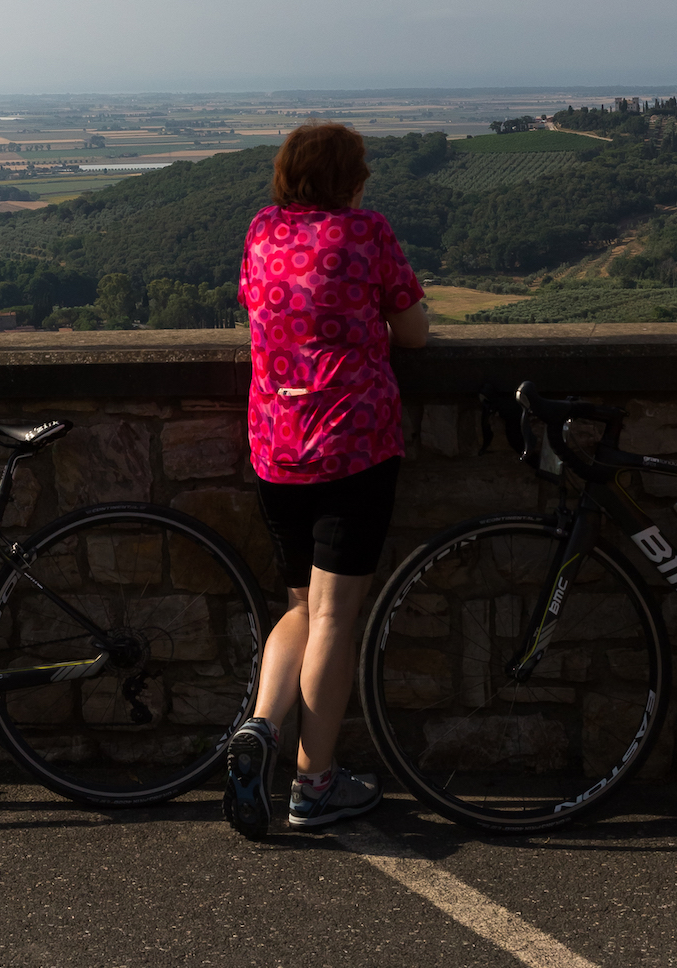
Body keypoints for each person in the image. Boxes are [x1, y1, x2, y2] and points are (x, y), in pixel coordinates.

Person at [223, 121, 429, 840]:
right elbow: (415, 333)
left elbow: (254, 310)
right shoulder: (365, 233)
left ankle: (259, 727)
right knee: (335, 619)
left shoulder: (261, 232)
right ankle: (314, 783)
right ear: (352, 178)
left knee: (303, 608)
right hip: (352, 445)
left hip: (275, 448)